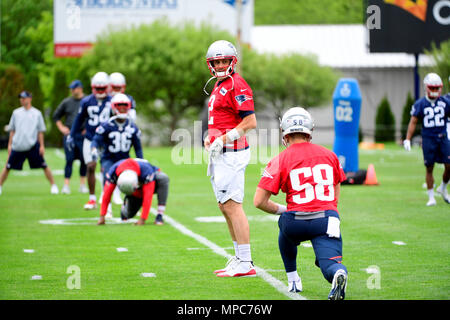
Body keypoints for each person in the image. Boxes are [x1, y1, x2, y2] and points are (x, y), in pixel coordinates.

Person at [253, 107, 348, 300]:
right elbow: (336, 187)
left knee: (284, 226)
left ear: (285, 132)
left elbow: (259, 201)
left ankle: (293, 278)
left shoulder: (280, 159)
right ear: (309, 130)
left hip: (295, 220)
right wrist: (330, 209)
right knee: (329, 263)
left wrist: (284, 210)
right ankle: (338, 272)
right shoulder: (329, 155)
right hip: (326, 218)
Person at [203, 40, 257, 277]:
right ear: (211, 64)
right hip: (221, 153)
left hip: (232, 153)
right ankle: (238, 257)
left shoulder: (237, 84)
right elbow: (223, 120)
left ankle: (246, 261)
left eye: (225, 60)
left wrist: (222, 140)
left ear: (232, 61)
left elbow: (250, 122)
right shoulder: (220, 84)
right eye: (217, 61)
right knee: (224, 206)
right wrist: (210, 137)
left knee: (233, 206)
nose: (221, 64)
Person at [91, 93, 144, 217]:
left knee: (131, 184)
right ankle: (107, 207)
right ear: (114, 108)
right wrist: (94, 148)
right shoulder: (106, 126)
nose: (122, 109)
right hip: (108, 159)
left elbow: (138, 148)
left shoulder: (132, 127)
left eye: (124, 106)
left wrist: (140, 161)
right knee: (107, 181)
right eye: (119, 106)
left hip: (124, 160)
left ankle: (130, 207)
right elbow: (96, 140)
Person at [404, 73, 450, 206]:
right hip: (429, 138)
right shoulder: (421, 104)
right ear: (427, 87)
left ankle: (443, 187)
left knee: (449, 165)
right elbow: (413, 122)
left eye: (437, 88)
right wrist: (407, 139)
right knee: (429, 168)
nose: (435, 91)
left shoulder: (445, 102)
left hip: (443, 137)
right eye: (432, 88)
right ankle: (431, 197)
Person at [0, 91, 59, 195]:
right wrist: (10, 145)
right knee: (8, 167)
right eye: (21, 98)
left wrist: (42, 146)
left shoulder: (37, 113)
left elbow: (40, 131)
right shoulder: (16, 113)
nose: (22, 100)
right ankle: (0, 186)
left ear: (30, 98)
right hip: (18, 145)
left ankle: (53, 185)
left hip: (32, 145)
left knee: (44, 166)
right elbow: (12, 130)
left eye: (24, 98)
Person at [68, 72, 112, 210]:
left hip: (106, 140)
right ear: (93, 87)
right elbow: (79, 119)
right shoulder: (86, 101)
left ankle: (107, 198)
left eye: (102, 88)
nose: (99, 91)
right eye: (97, 88)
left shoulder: (112, 101)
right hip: (90, 138)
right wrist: (71, 134)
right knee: (91, 166)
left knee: (107, 169)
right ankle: (92, 198)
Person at [97, 158, 169, 226]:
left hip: (149, 182)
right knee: (127, 215)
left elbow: (148, 196)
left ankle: (159, 215)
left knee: (163, 178)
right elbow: (106, 194)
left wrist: (143, 219)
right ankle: (127, 201)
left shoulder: (146, 171)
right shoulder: (113, 172)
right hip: (136, 190)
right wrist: (102, 216)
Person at [52, 80, 88, 194]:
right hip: (70, 135)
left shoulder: (87, 100)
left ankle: (82, 185)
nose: (72, 91)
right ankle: (66, 185)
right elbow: (56, 116)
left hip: (83, 135)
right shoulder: (67, 102)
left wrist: (88, 129)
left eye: (74, 88)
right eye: (71, 89)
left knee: (84, 160)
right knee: (69, 160)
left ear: (80, 88)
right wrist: (62, 128)